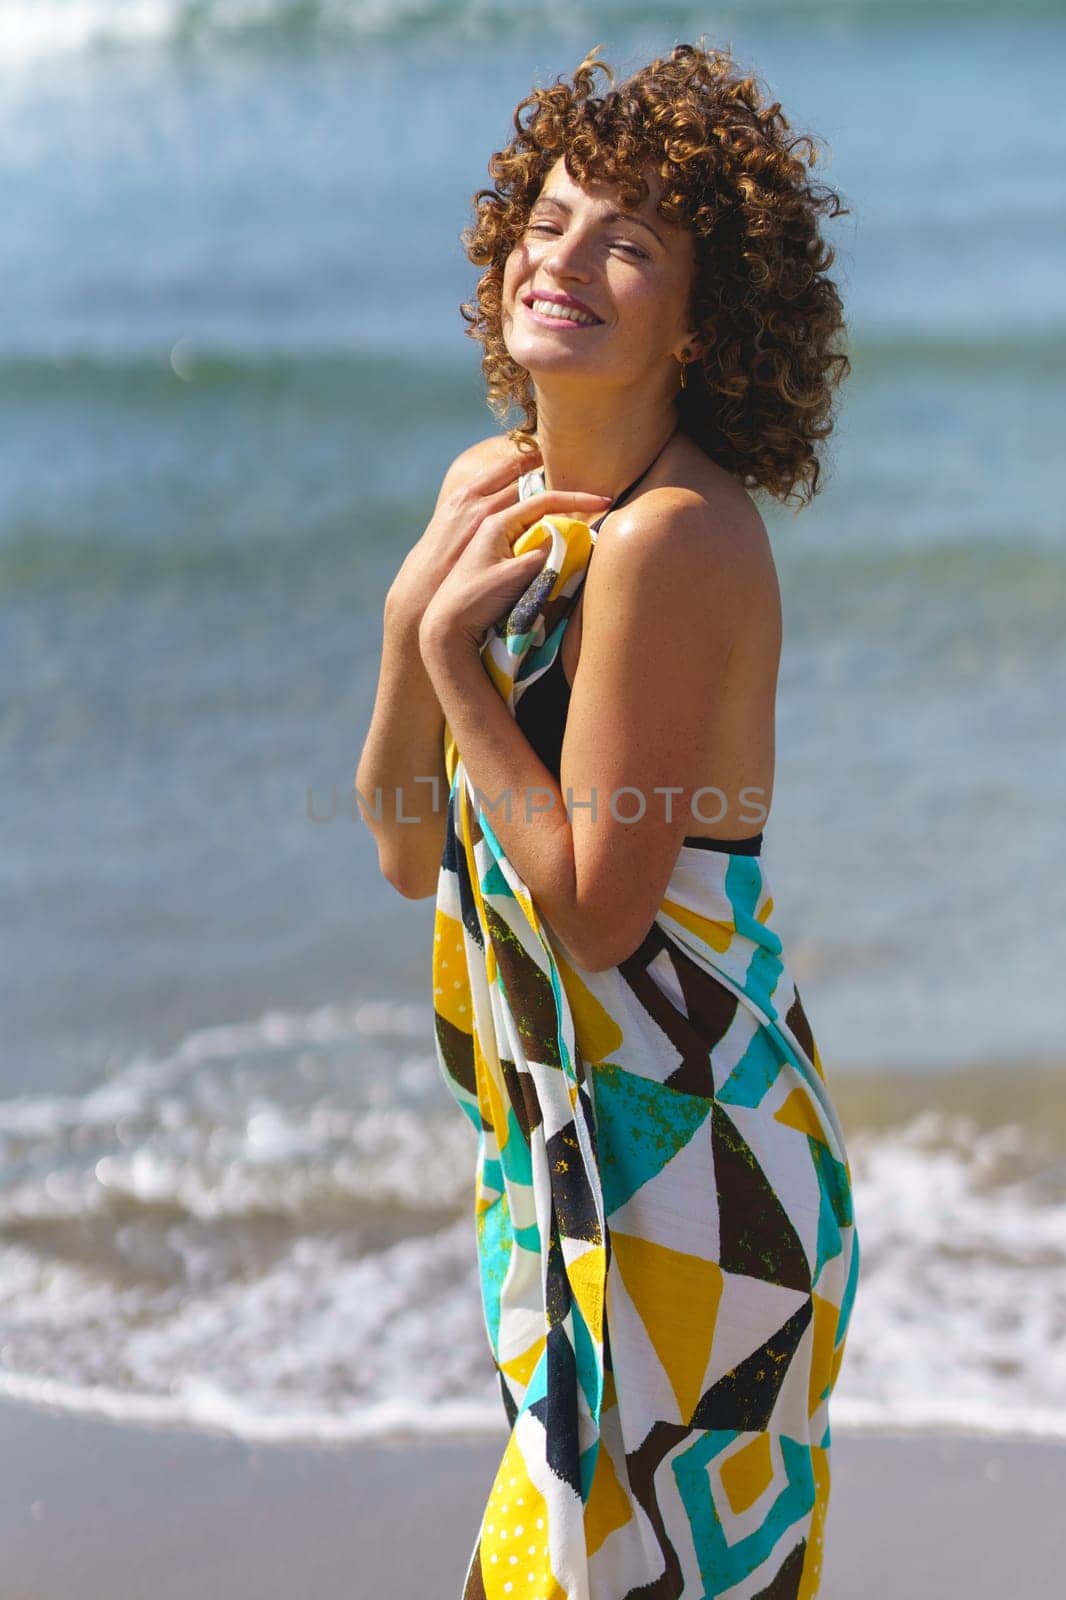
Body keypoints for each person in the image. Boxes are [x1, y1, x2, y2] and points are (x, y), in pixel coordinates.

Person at [357, 40, 860, 1600]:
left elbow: (592, 907)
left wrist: (457, 665)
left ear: (701, 322)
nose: (557, 256)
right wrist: (404, 620)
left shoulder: (675, 538)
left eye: (624, 241)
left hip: (698, 1177)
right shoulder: (487, 487)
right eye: (550, 214)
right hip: (573, 1158)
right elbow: (406, 847)